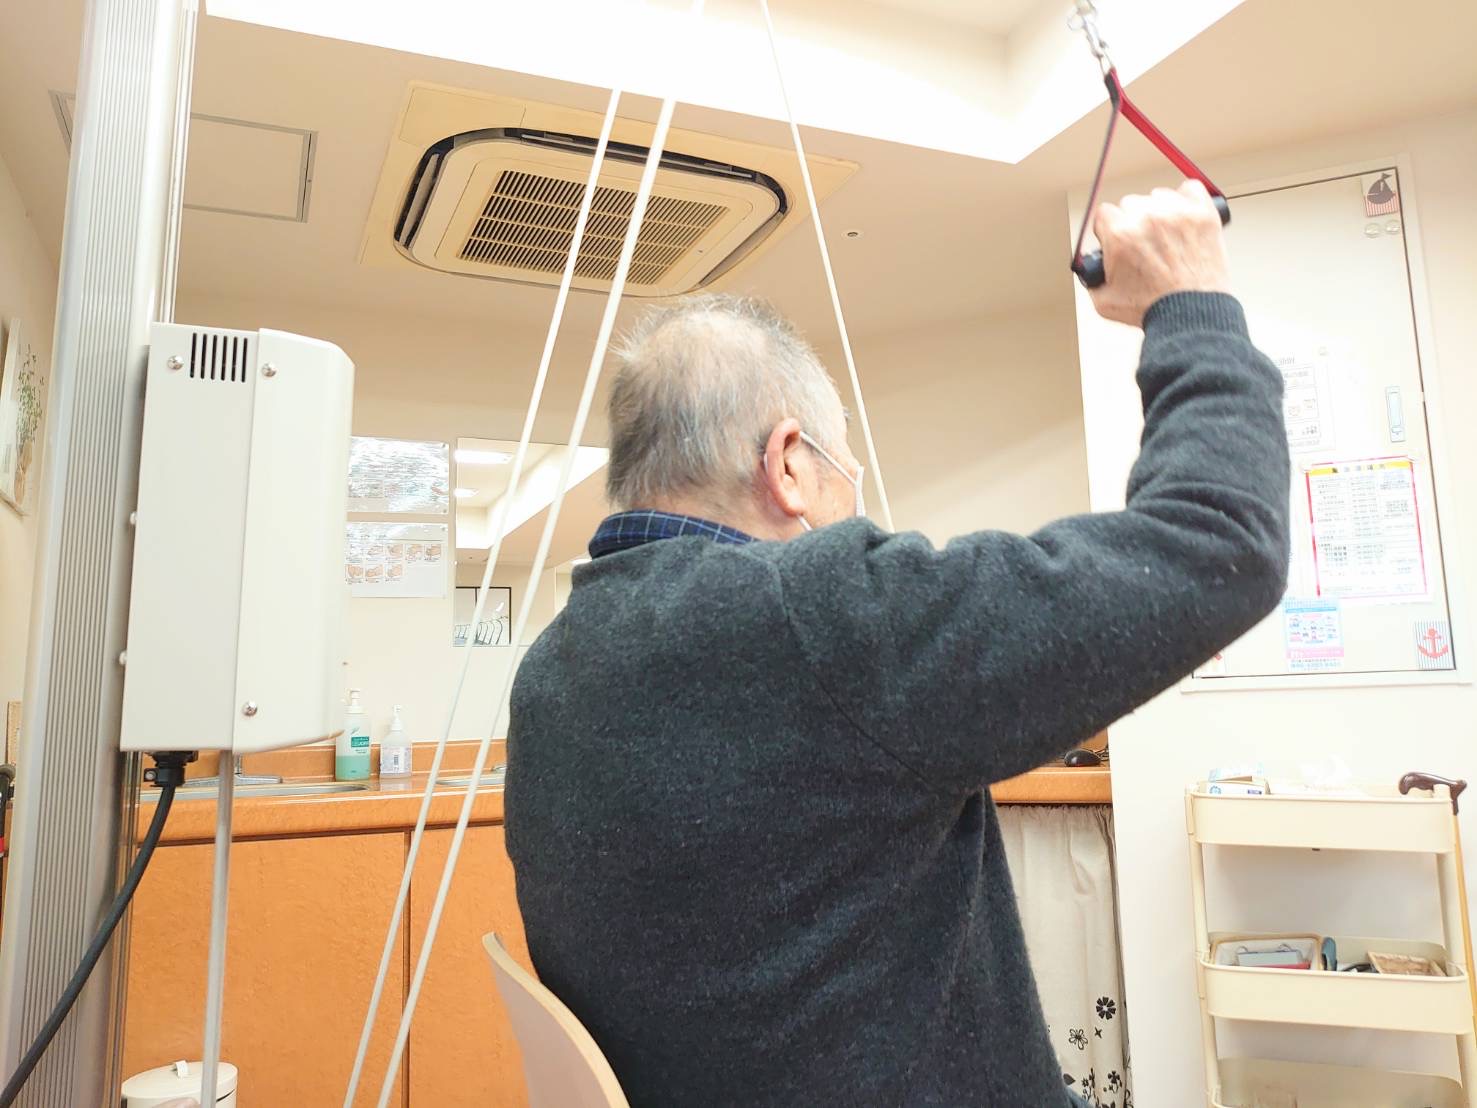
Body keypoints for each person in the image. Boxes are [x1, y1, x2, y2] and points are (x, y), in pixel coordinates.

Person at [505, 179, 1289, 1107]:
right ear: (788, 465)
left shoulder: (551, 671)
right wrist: (1190, 303)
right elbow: (1218, 544)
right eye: (844, 471)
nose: (856, 506)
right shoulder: (816, 618)